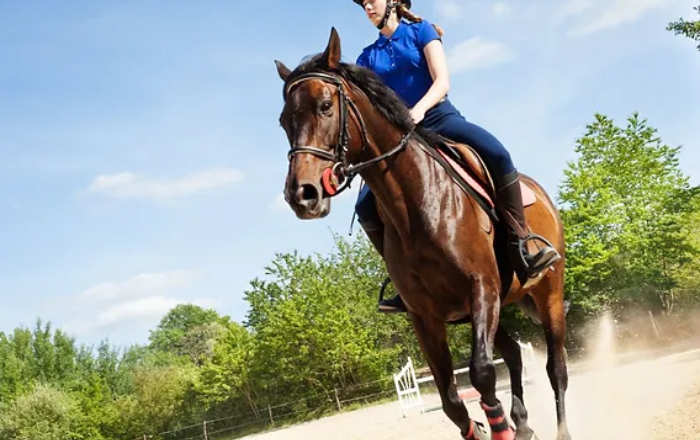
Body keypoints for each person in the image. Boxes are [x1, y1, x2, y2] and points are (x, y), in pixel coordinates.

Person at [351, 0, 562, 314]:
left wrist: (418, 111)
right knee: (365, 206)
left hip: (438, 119)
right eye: (363, 2)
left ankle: (522, 242)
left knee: (499, 155)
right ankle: (402, 280)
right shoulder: (365, 57)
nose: (367, 5)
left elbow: (442, 82)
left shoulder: (421, 31)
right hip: (402, 140)